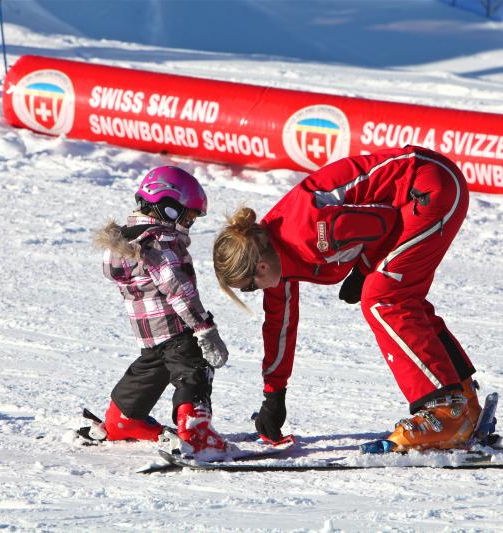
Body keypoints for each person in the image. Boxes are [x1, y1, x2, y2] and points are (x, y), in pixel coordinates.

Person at [213, 145, 482, 452]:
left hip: (429, 184)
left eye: (248, 288)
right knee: (399, 296)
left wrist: (364, 271)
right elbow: (279, 326)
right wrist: (274, 395)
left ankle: (445, 411)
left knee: (383, 297)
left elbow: (384, 222)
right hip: (423, 188)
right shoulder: (273, 255)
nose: (254, 293)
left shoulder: (309, 232)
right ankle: (463, 401)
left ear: (260, 267)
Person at [91, 165, 230, 454]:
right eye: (188, 216)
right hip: (176, 325)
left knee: (151, 370)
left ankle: (123, 419)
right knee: (194, 369)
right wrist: (204, 328)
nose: (190, 223)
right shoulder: (159, 243)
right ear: (167, 207)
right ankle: (196, 432)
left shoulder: (129, 242)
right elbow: (177, 288)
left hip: (149, 332)